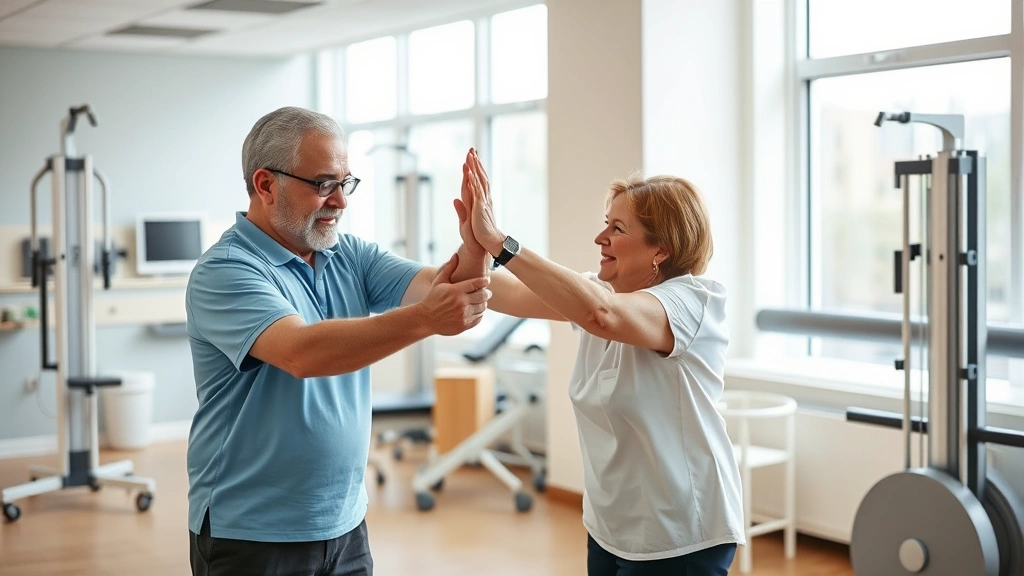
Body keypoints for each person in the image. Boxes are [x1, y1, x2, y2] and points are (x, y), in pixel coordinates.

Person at [184, 107, 491, 576]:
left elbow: (446, 294)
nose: (340, 202)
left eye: (345, 184)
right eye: (323, 184)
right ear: (266, 185)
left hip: (344, 525)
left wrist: (475, 248)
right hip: (252, 533)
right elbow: (301, 352)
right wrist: (426, 320)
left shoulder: (346, 254)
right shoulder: (225, 270)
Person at [456, 149, 744, 576]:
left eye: (617, 228)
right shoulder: (598, 294)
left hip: (681, 531)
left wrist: (500, 241)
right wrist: (473, 242)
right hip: (611, 525)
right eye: (605, 223)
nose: (600, 238)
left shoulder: (694, 301)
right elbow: (500, 292)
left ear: (660, 250)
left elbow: (601, 316)